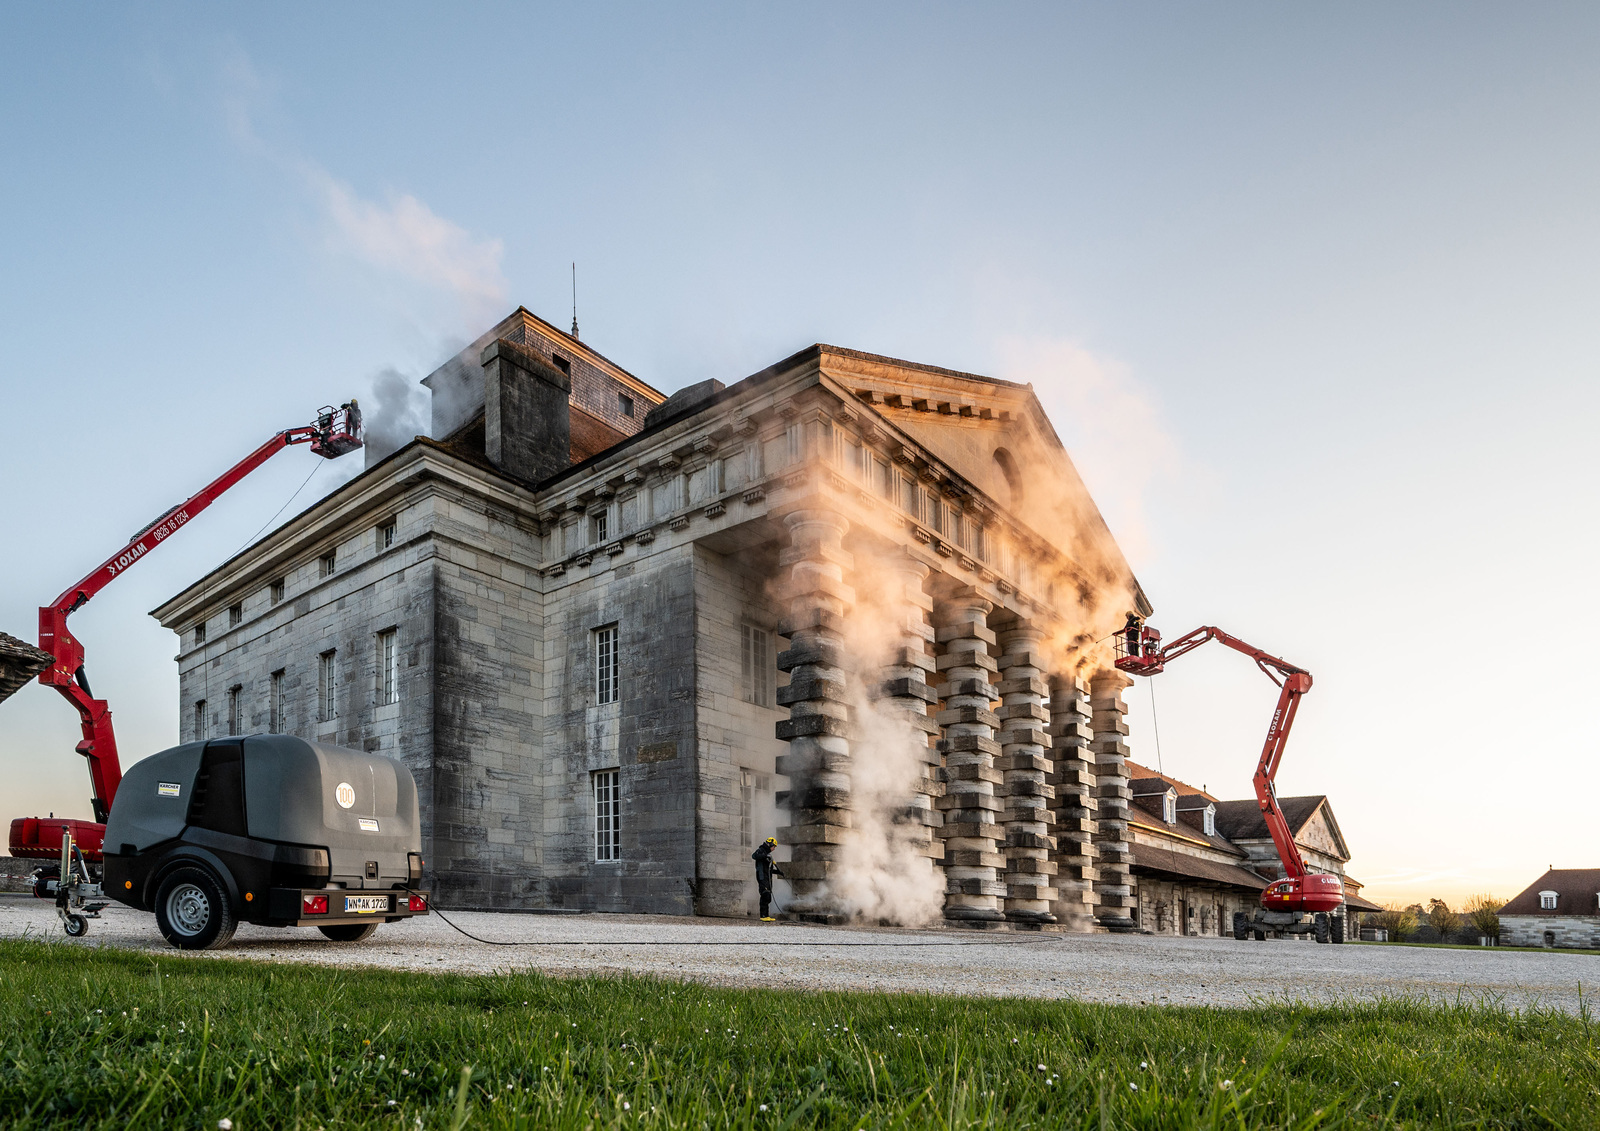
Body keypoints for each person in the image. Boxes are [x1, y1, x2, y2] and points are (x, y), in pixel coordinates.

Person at [752, 836, 784, 921]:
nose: (774, 849)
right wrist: (765, 856)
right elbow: (754, 856)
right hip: (762, 877)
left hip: (767, 878)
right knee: (765, 894)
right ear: (770, 844)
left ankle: (766, 915)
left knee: (768, 896)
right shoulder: (761, 850)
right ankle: (763, 916)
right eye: (774, 847)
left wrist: (778, 872)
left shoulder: (768, 854)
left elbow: (769, 869)